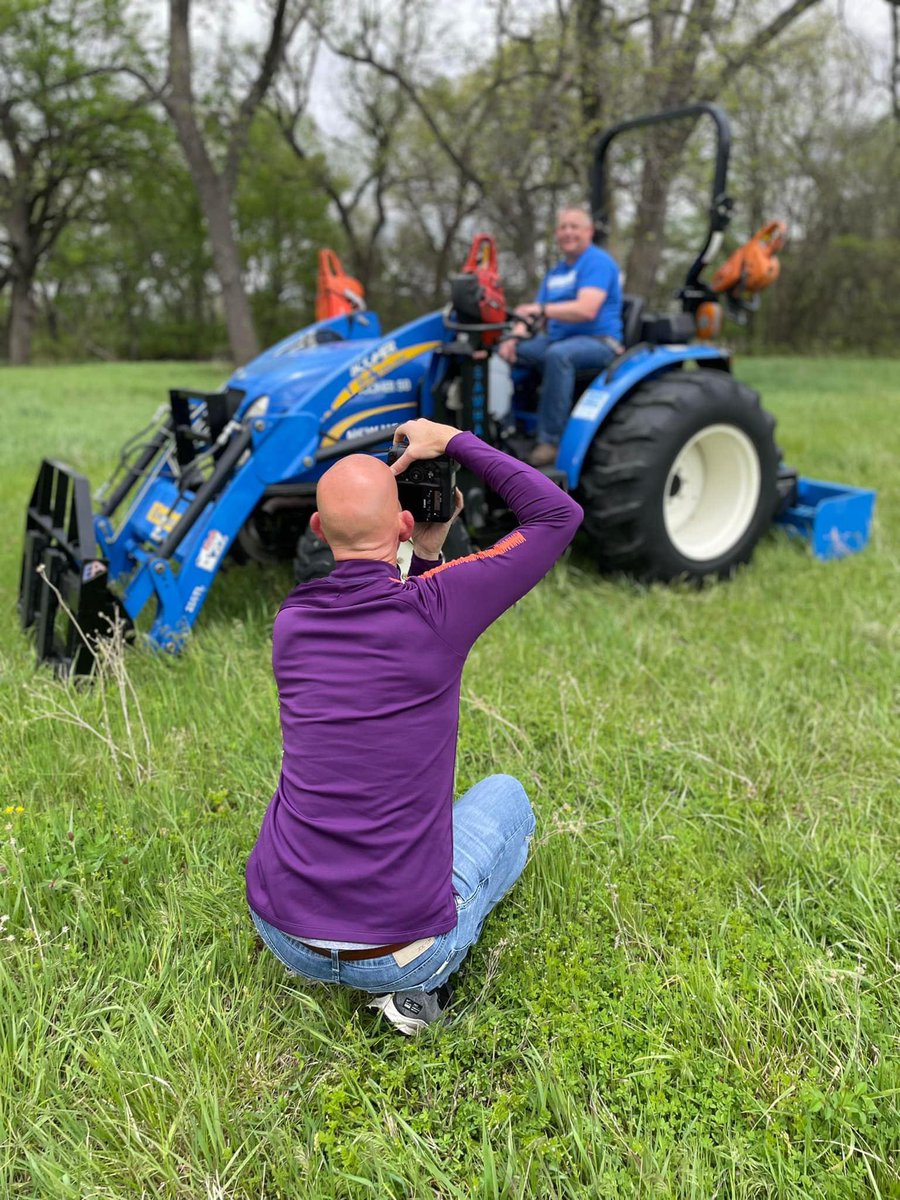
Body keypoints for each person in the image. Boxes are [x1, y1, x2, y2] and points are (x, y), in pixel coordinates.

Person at [246, 419, 583, 1035]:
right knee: (505, 796)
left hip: (283, 933)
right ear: (402, 524)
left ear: (318, 530)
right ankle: (418, 991)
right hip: (403, 953)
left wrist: (423, 554)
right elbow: (555, 515)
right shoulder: (436, 610)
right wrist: (452, 441)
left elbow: (380, 606)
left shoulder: (290, 623)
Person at [498, 205, 623, 467]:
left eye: (574, 226)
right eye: (563, 227)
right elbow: (532, 315)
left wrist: (541, 309)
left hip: (599, 342)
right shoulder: (555, 273)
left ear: (588, 231)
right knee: (503, 353)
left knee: (559, 356)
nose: (568, 232)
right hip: (557, 339)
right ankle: (503, 428)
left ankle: (550, 441)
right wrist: (514, 338)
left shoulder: (597, 262)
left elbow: (587, 309)